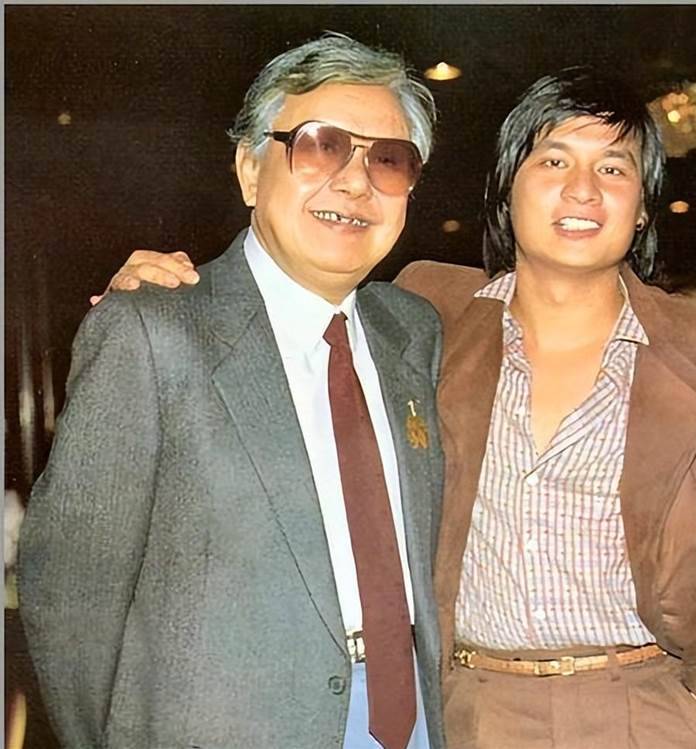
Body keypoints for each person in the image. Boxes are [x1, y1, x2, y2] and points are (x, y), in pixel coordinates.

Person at [101, 68, 696, 748]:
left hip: (661, 705)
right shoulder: (420, 317)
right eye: (553, 161)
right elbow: (288, 307)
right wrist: (177, 295)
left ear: (641, 205)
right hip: (473, 713)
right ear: (507, 188)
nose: (583, 190)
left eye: (614, 167)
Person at [18, 34, 446, 749]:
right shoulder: (153, 332)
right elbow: (69, 598)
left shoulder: (416, 331)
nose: (355, 182)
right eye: (321, 147)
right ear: (250, 170)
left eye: (388, 159)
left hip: (413, 722)